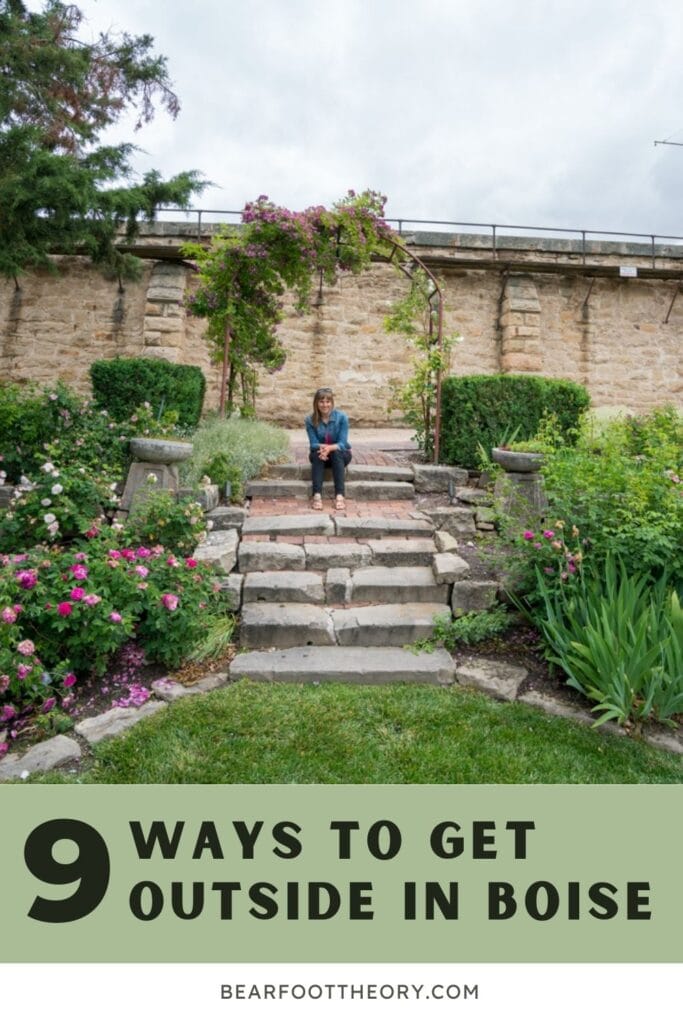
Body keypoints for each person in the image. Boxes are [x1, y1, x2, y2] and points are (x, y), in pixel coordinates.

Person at [305, 387, 352, 510]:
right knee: (316, 454)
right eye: (321, 401)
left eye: (328, 401)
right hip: (321, 455)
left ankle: (340, 496)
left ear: (332, 403)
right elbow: (313, 444)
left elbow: (342, 443)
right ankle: (317, 496)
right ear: (316, 403)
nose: (325, 405)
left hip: (341, 454)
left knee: (336, 452)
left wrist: (330, 448)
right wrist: (326, 449)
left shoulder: (342, 418)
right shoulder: (310, 420)